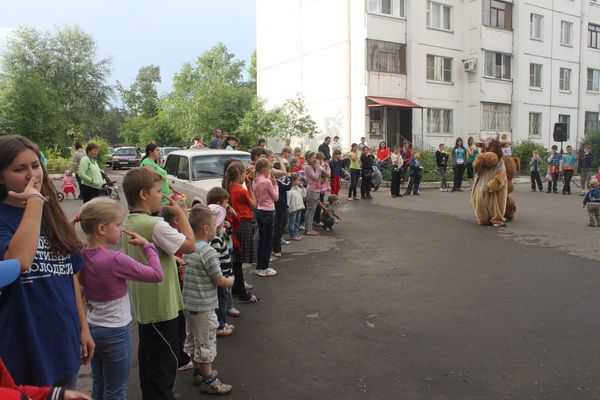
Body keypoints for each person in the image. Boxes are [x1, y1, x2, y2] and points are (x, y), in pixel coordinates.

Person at [0, 135, 94, 388]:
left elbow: (69, 275)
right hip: (22, 348)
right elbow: (19, 260)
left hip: (63, 340)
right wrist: (32, 201)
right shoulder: (8, 216)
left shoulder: (51, 212)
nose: (33, 175)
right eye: (19, 169)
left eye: (35, 165)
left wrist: (83, 327)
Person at [76, 197, 164, 400]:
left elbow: (79, 284)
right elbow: (156, 275)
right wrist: (148, 246)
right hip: (115, 331)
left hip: (93, 328)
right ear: (101, 229)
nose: (120, 229)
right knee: (115, 391)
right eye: (117, 224)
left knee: (99, 384)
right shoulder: (115, 259)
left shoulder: (81, 253)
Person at [121, 167, 196, 400]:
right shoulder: (156, 225)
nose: (162, 196)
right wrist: (181, 214)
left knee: (149, 363)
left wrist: (169, 257)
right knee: (164, 363)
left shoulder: (131, 221)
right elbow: (190, 245)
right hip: (161, 306)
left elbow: (147, 251)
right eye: (157, 191)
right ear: (143, 194)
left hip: (145, 305)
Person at [182, 206, 234, 394]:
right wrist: (230, 281)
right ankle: (208, 380)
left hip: (188, 304)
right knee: (206, 342)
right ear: (206, 229)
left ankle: (198, 372)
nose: (216, 228)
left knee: (194, 339)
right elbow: (218, 279)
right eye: (214, 225)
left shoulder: (188, 248)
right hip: (203, 306)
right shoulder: (208, 252)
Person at [222, 161, 260, 303]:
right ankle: (243, 294)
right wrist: (249, 187)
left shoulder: (228, 189)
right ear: (239, 176)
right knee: (238, 262)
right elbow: (254, 205)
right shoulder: (241, 191)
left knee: (235, 260)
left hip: (233, 224)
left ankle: (237, 289)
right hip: (243, 224)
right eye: (244, 174)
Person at [253, 159, 279, 276]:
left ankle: (259, 266)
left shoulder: (255, 181)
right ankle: (264, 267)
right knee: (268, 241)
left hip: (259, 210)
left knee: (262, 240)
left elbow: (257, 198)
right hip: (268, 211)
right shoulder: (267, 181)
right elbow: (275, 197)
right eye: (269, 169)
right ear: (264, 169)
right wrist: (276, 186)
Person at [272, 163, 292, 258]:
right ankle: (276, 248)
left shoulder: (277, 180)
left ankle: (276, 244)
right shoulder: (274, 180)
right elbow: (287, 186)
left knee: (280, 225)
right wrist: (290, 178)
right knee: (278, 227)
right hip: (278, 206)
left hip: (281, 205)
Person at [303, 151, 321, 235]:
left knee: (313, 210)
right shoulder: (307, 167)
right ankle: (308, 229)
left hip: (316, 190)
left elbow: (320, 175)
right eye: (313, 158)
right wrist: (317, 167)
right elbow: (315, 177)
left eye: (315, 157)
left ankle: (310, 228)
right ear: (308, 158)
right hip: (311, 190)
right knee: (309, 210)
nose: (315, 159)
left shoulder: (313, 166)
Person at [288, 173, 305, 241]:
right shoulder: (290, 189)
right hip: (293, 208)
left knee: (297, 221)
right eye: (298, 180)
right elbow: (288, 199)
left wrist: (303, 188)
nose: (299, 182)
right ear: (293, 180)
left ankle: (296, 233)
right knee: (292, 222)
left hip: (298, 207)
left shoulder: (298, 188)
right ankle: (293, 235)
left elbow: (304, 195)